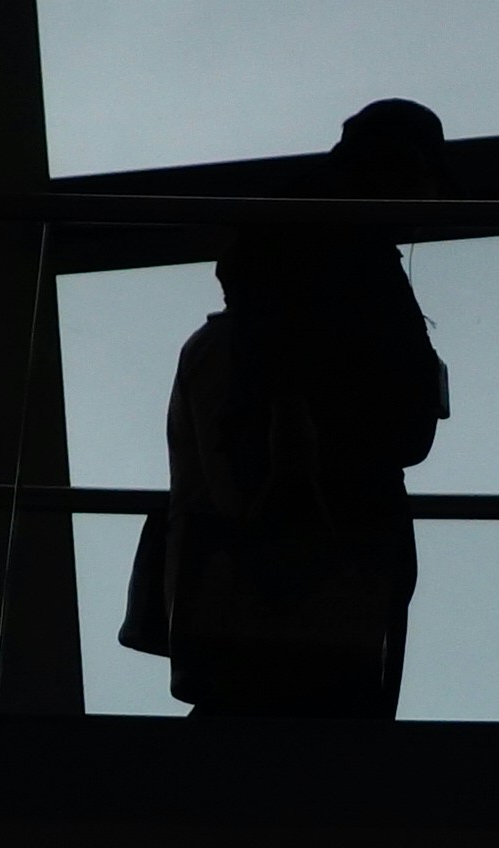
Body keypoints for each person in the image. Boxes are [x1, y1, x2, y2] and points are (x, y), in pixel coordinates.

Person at [129, 100, 455, 717]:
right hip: (317, 556)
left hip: (300, 560)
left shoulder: (249, 337)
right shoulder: (308, 312)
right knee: (296, 719)